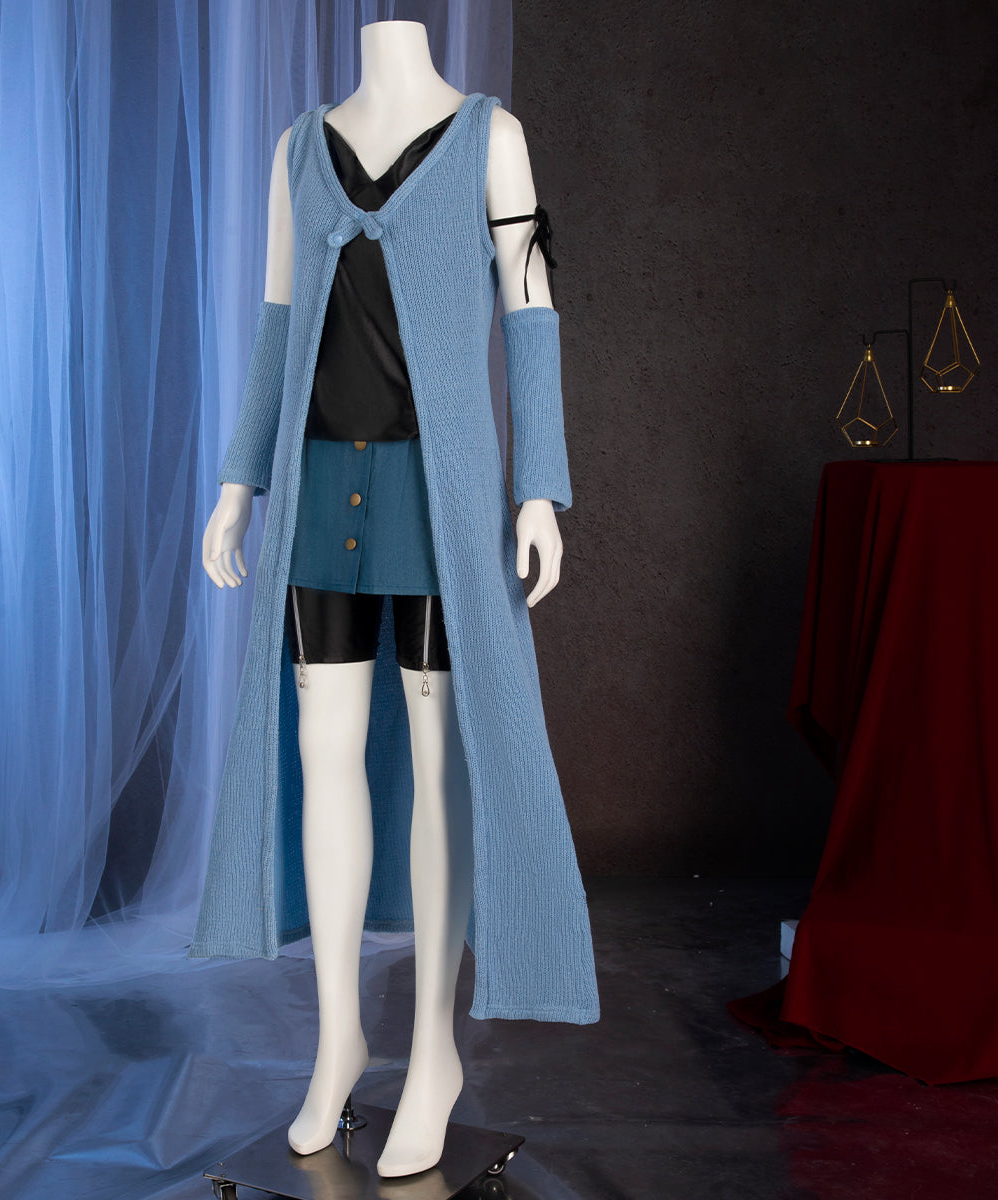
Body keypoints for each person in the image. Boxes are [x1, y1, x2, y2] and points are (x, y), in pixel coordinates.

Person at [193, 19, 600, 1180]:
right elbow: (279, 328)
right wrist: (239, 482)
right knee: (320, 750)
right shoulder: (298, 152)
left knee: (437, 762)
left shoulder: (490, 140)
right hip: (321, 486)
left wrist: (539, 489)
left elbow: (530, 317)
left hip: (439, 491)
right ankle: (338, 1042)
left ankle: (433, 1054)